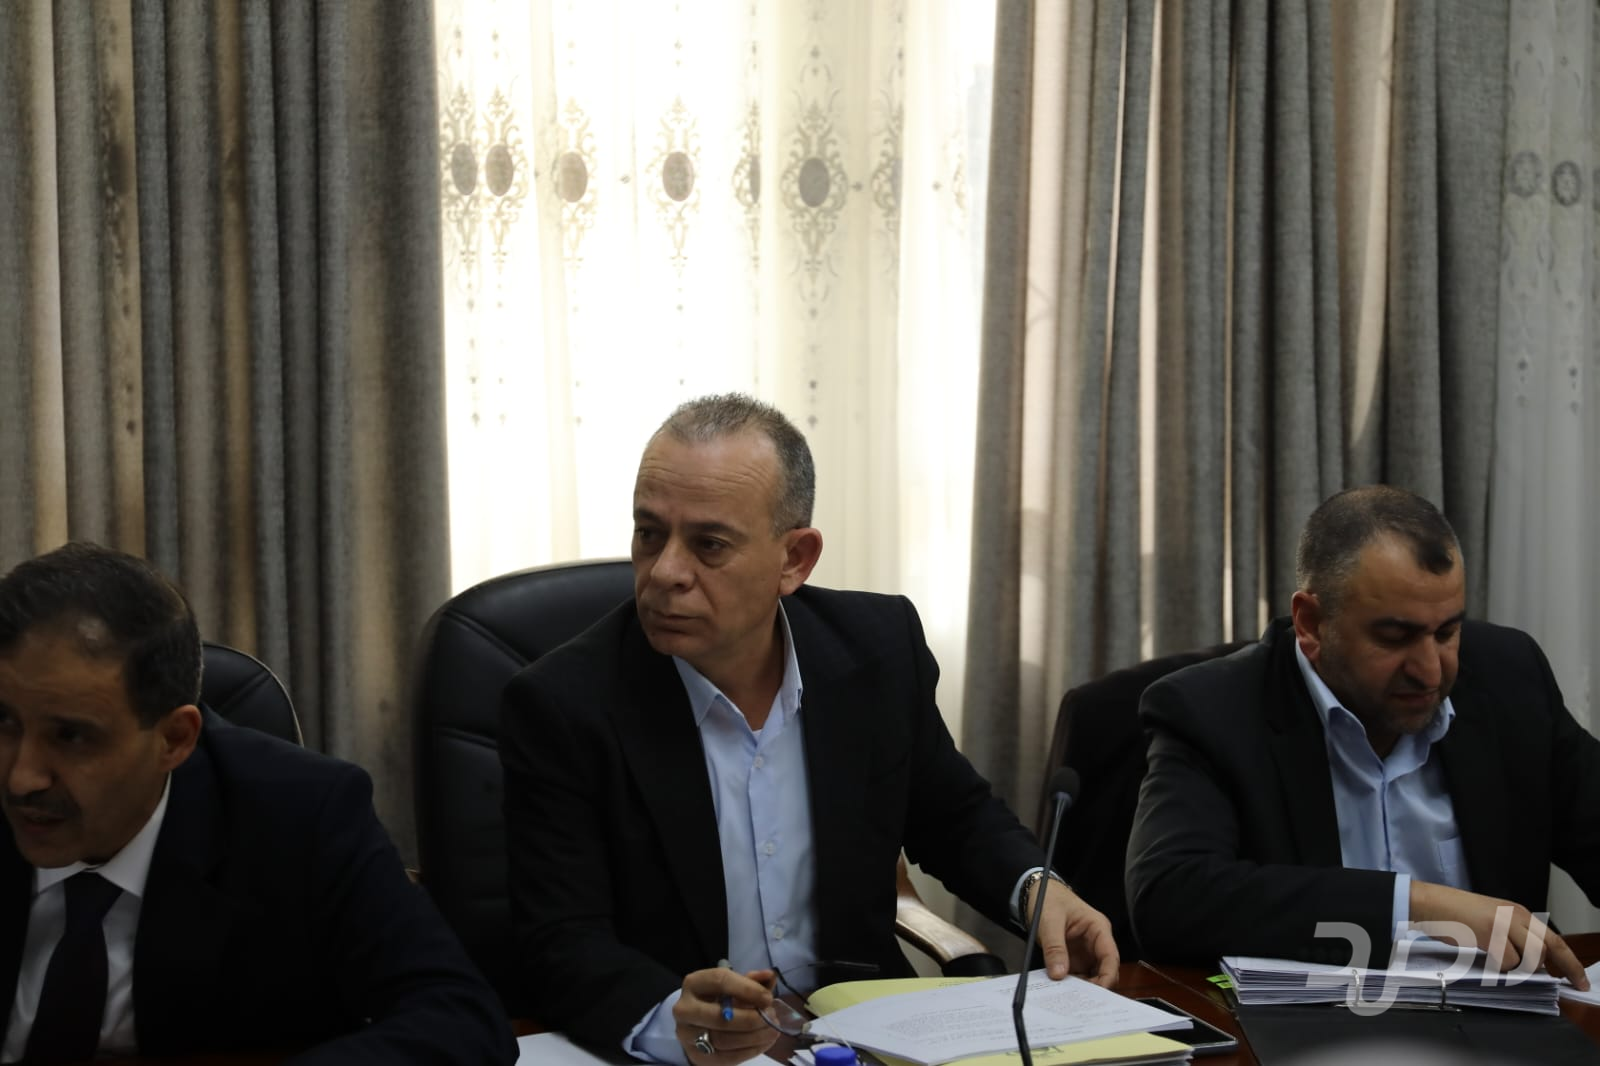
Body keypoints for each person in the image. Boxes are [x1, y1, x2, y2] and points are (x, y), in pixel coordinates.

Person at [501, 394, 1119, 1065]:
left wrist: (1036, 889)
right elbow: (560, 939)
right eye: (649, 534)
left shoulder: (878, 650)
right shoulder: (564, 705)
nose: (666, 572)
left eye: (709, 545)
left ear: (795, 559)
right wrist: (682, 1026)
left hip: (862, 1033)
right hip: (697, 1049)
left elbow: (955, 816)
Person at [0, 543, 517, 1065]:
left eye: (71, 737)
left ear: (174, 739)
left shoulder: (299, 815)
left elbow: (460, 1017)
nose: (22, 778)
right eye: (4, 722)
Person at [1126, 486, 1600, 986]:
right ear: (1311, 623)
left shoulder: (1509, 677)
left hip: (1504, 1017)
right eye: (1395, 638)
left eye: (1446, 633)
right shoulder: (1212, 710)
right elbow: (1168, 898)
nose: (1430, 671)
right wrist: (1415, 904)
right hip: (1318, 1021)